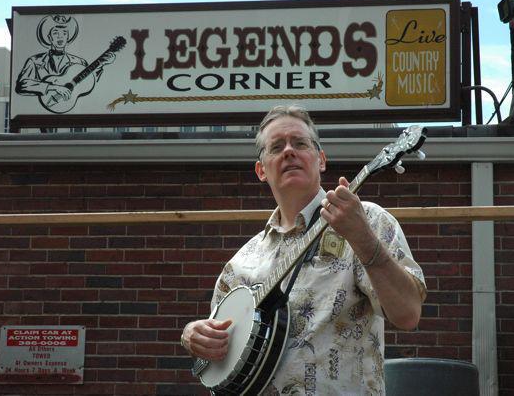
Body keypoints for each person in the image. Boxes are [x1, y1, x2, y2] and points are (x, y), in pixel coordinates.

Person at [181, 105, 426, 394]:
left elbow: (408, 313)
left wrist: (363, 239)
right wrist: (193, 338)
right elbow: (219, 361)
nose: (289, 151)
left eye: (300, 143)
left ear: (321, 160)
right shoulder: (240, 263)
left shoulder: (366, 219)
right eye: (276, 147)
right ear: (261, 170)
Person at [15, 14, 114, 105]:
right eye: (55, 33)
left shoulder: (78, 62)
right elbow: (21, 85)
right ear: (49, 37)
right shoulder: (35, 60)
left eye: (64, 33)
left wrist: (101, 65)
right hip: (38, 113)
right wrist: (53, 87)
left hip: (71, 111)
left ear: (68, 37)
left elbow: (88, 84)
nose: (60, 36)